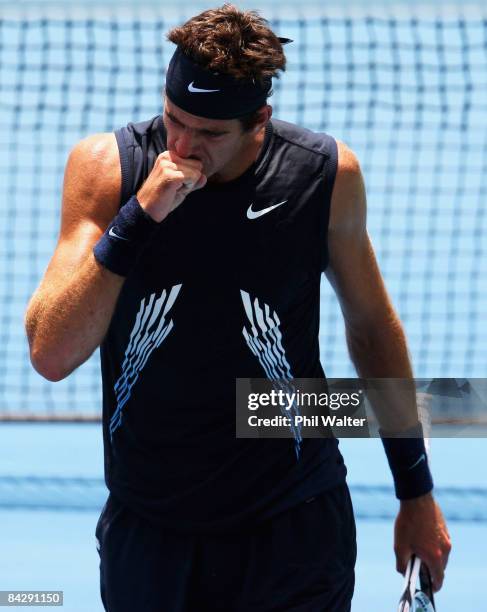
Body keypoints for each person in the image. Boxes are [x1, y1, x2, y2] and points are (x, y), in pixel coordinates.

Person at [24, 4, 451, 611]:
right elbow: (50, 352)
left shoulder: (324, 177)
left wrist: (416, 492)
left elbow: (372, 326)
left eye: (210, 133)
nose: (184, 147)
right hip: (151, 526)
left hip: (294, 520)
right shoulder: (107, 171)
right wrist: (138, 218)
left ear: (259, 122)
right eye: (175, 120)